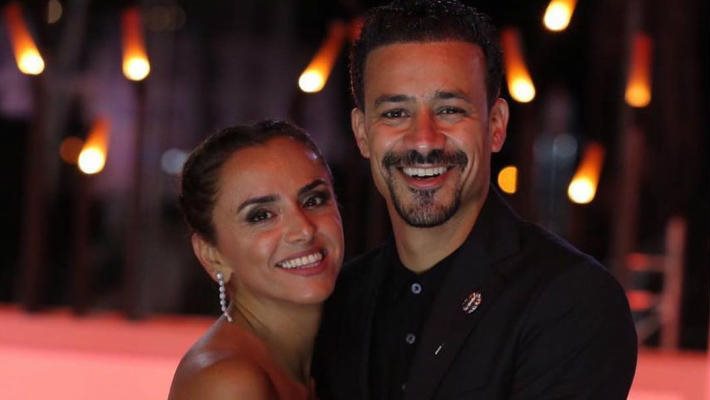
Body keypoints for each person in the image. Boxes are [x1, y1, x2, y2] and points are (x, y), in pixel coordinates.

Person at [313, 1, 637, 399]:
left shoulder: (572, 300)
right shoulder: (338, 301)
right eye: (396, 113)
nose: (424, 141)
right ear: (362, 134)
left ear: (495, 125)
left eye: (449, 110)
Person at [169, 120, 344, 400]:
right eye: (261, 216)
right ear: (212, 255)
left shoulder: (341, 354)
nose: (303, 230)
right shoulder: (228, 384)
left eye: (314, 200)